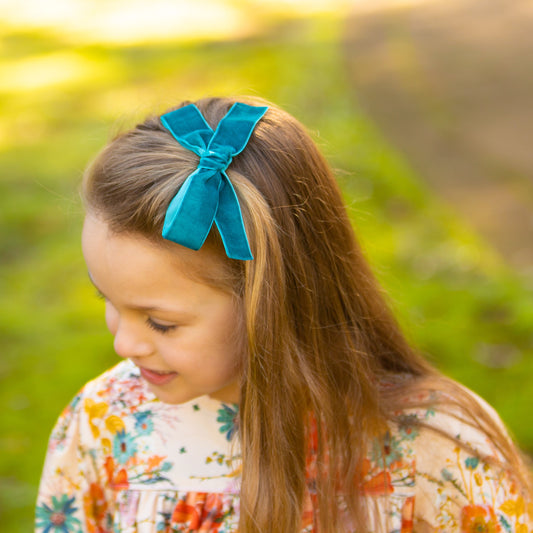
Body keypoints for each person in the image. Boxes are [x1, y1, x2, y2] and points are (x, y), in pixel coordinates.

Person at [36, 97, 531, 533]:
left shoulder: (435, 448)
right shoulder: (106, 422)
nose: (125, 345)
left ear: (271, 301)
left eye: (161, 322)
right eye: (108, 301)